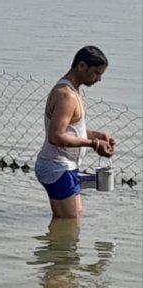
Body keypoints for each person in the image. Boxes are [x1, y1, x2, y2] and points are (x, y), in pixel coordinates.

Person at [34, 46, 116, 219]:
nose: (99, 79)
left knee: (74, 219)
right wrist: (93, 144)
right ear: (81, 66)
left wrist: (98, 136)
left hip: (66, 166)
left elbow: (71, 129)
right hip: (56, 166)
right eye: (96, 73)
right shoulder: (66, 95)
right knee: (69, 225)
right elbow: (56, 136)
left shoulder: (74, 90)